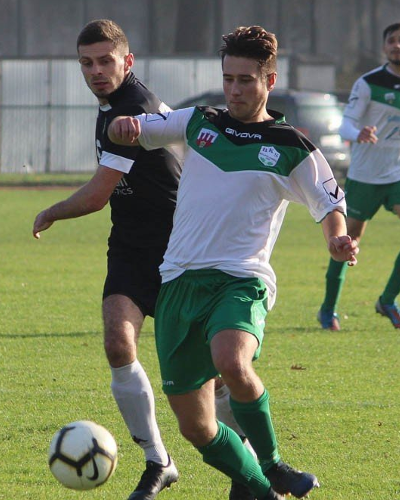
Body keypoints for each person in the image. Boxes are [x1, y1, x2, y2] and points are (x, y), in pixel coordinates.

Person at [108, 25, 358, 500]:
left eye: (246, 80)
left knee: (231, 362)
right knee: (197, 428)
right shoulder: (199, 122)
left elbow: (330, 203)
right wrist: (126, 127)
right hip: (179, 281)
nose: (235, 90)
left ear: (269, 80)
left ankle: (273, 463)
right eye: (228, 79)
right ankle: (260, 489)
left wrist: (337, 240)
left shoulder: (291, 146)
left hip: (242, 279)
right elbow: (144, 128)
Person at [32, 19, 183, 500]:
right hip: (131, 245)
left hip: (179, 249)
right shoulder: (112, 106)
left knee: (211, 375)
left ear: (127, 61)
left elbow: (98, 195)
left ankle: (253, 462)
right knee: (119, 344)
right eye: (86, 63)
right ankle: (158, 461)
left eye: (105, 61)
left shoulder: (132, 109)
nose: (96, 71)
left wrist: (52, 211)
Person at [317, 22, 400, 331]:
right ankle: (328, 310)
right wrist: (358, 133)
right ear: (384, 47)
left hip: (397, 174)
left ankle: (387, 300)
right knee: (347, 242)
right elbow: (345, 124)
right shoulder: (368, 83)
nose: (397, 46)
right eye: (392, 41)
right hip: (365, 176)